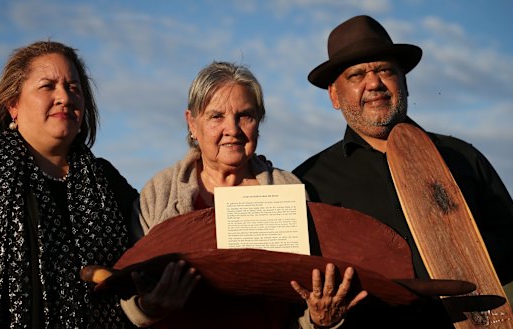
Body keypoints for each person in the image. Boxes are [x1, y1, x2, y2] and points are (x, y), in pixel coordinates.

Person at [293, 15, 513, 327]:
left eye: (384, 70)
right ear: (335, 95)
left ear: (404, 81)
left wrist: (463, 254)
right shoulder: (310, 181)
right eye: (357, 75)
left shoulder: (462, 157)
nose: (374, 83)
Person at [119, 61, 367, 329]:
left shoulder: (287, 190)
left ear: (258, 122)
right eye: (216, 116)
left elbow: (307, 293)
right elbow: (129, 287)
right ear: (192, 122)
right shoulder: (159, 193)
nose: (232, 129)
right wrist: (148, 308)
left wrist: (319, 319)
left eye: (245, 115)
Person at [0, 40, 142, 328]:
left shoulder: (107, 182)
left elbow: (152, 245)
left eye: (73, 88)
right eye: (48, 86)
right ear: (13, 104)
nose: (64, 97)